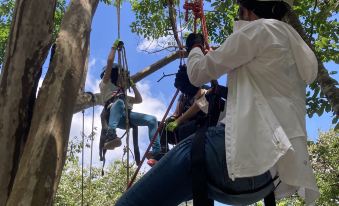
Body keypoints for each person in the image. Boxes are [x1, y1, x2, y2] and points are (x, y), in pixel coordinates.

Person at [116, 0, 319, 205]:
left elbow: (196, 73)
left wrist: (194, 46)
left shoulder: (261, 29)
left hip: (236, 154)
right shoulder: (290, 51)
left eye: (240, 14)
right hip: (265, 179)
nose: (239, 19)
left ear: (248, 11)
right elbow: (251, 97)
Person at [99, 41, 161, 160]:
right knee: (120, 102)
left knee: (152, 120)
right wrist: (113, 47)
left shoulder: (123, 94)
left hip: (126, 116)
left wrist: (132, 85)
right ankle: (110, 135)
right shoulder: (105, 84)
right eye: (120, 75)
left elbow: (139, 100)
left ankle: (156, 151)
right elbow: (110, 63)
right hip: (112, 114)